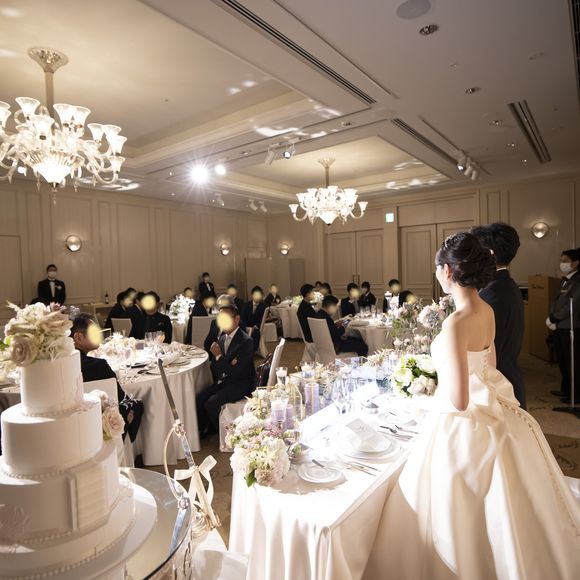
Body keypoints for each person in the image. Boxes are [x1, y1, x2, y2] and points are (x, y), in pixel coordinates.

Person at [363, 232, 580, 579]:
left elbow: (460, 400)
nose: (437, 273)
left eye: (438, 268)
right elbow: (489, 368)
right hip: (492, 407)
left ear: (449, 271)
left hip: (463, 423)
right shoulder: (486, 309)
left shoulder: (455, 324)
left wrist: (422, 397)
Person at [472, 223, 526, 408]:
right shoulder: (503, 285)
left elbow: (488, 351)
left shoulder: (494, 294)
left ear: (489, 253)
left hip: (501, 385)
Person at [71, 313, 142, 442]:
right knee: (137, 405)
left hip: (77, 427)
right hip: (105, 423)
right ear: (79, 338)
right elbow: (120, 398)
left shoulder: (64, 367)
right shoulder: (98, 365)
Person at [196, 302, 256, 435]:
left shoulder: (246, 341)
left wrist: (218, 356)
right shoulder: (222, 338)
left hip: (241, 384)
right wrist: (224, 364)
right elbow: (217, 368)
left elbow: (237, 372)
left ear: (236, 319)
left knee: (211, 404)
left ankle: (224, 434)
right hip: (225, 381)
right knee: (200, 399)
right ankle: (207, 428)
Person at [547, 248, 580, 404]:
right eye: (561, 260)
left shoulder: (577, 281)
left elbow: (571, 305)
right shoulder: (565, 280)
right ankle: (566, 389)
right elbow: (557, 300)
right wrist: (553, 317)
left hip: (571, 326)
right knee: (563, 360)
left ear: (576, 263)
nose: (562, 263)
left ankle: (576, 394)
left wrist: (555, 317)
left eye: (565, 260)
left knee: (572, 361)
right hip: (560, 325)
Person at [241, 286, 266, 351]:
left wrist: (255, 326)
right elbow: (242, 317)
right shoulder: (246, 305)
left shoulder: (263, 306)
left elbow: (262, 319)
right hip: (246, 326)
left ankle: (252, 351)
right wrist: (245, 327)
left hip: (256, 327)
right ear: (252, 295)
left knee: (256, 333)